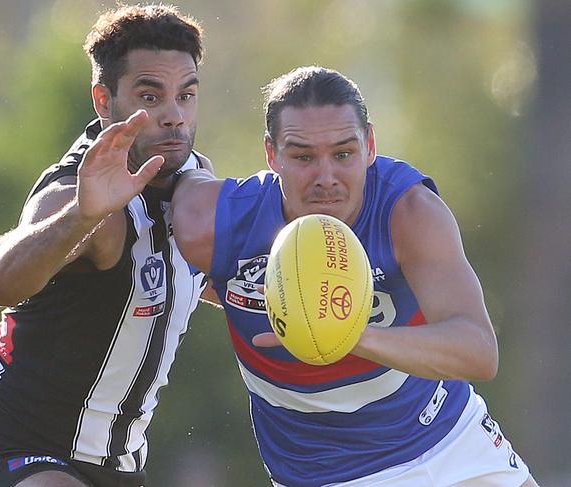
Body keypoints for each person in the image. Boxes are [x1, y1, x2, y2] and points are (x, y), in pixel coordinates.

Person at [170, 66, 538, 486]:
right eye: (303, 156)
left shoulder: (409, 211)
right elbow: (168, 215)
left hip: (452, 442)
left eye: (343, 154)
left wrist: (347, 335)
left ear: (370, 145)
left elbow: (478, 350)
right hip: (327, 477)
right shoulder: (215, 224)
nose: (326, 178)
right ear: (272, 155)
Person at [0, 5, 211, 487]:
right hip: (16, 453)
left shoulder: (193, 181)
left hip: (120, 469)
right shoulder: (79, 196)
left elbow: (187, 279)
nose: (174, 116)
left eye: (186, 96)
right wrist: (82, 216)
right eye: (151, 95)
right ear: (104, 100)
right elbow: (1, 281)